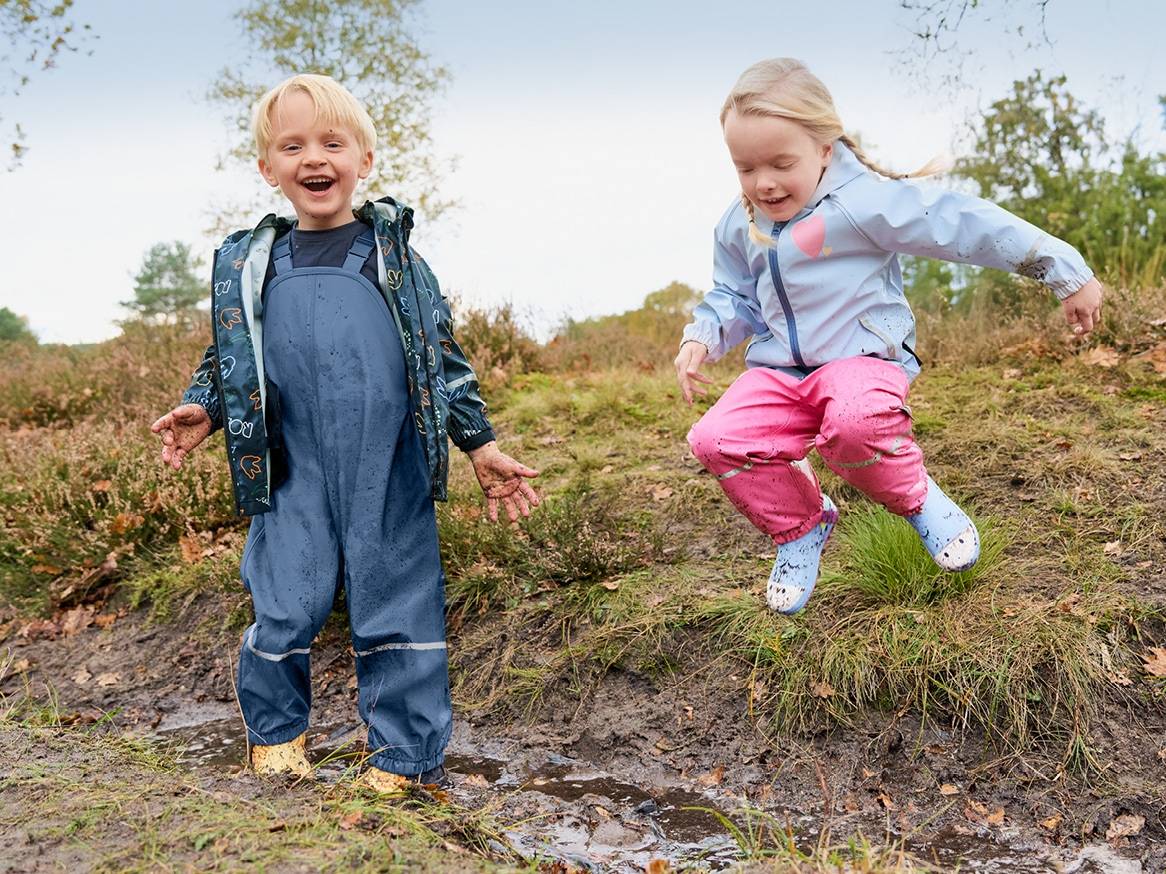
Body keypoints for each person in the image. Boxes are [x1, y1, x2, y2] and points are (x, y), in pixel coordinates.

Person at [150, 74, 540, 788]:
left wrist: (479, 444)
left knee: (394, 595)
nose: (314, 158)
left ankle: (402, 755)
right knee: (284, 595)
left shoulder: (393, 258)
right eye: (292, 146)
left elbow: (440, 356)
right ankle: (276, 737)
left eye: (332, 142)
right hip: (291, 461)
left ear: (364, 158)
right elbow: (229, 353)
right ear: (269, 169)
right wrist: (203, 407)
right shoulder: (255, 264)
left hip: (384, 459)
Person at [677, 58, 1102, 615]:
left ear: (825, 149)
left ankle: (918, 498)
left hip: (861, 361)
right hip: (779, 373)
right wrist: (703, 335)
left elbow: (961, 224)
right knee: (716, 438)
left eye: (781, 163)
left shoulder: (864, 202)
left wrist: (1061, 269)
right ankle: (802, 527)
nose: (764, 183)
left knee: (852, 427)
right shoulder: (740, 223)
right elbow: (733, 294)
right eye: (745, 168)